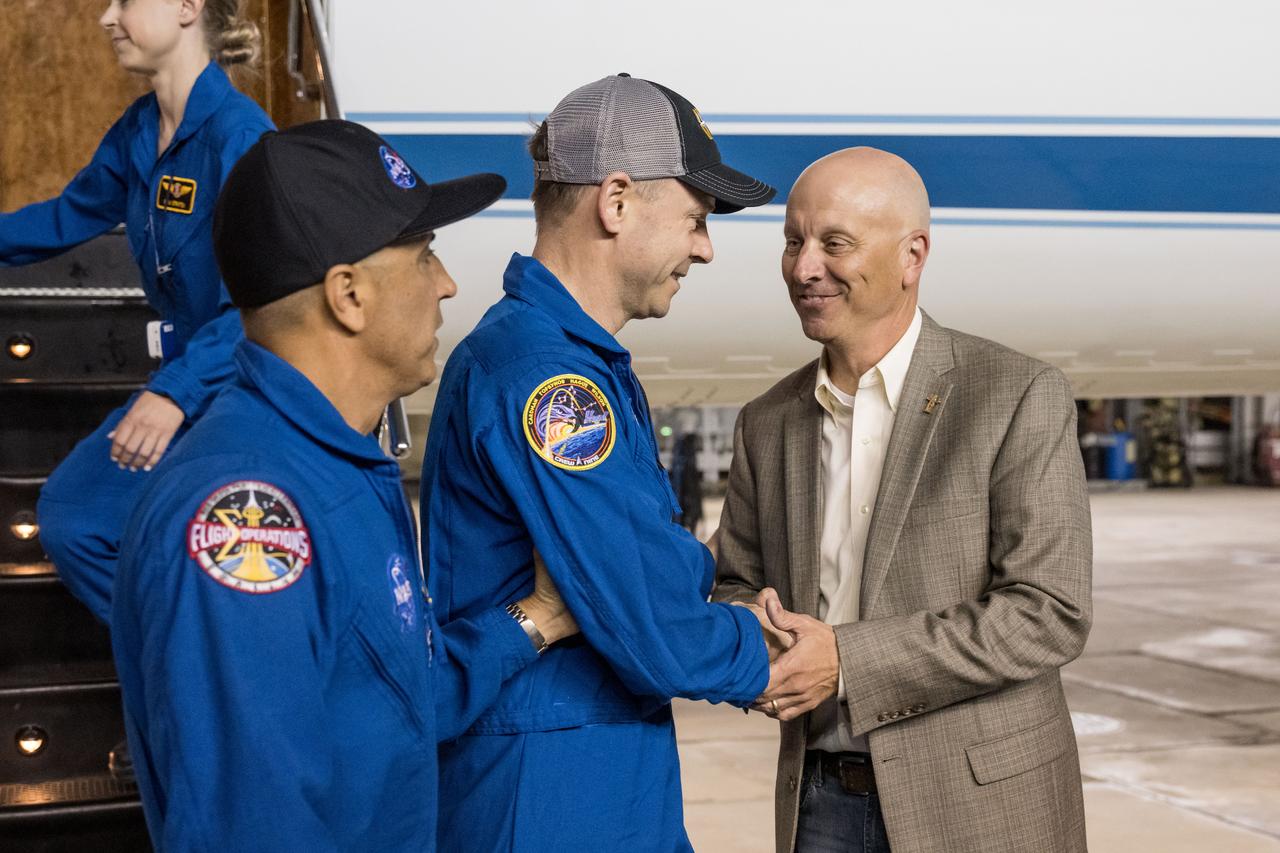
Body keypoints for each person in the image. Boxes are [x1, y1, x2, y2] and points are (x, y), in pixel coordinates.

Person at [110, 120, 578, 851]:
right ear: (348, 295)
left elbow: (389, 699)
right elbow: (254, 829)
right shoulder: (248, 514)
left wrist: (534, 621)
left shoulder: (334, 465)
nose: (448, 282)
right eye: (425, 255)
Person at [419, 74, 787, 852]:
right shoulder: (546, 379)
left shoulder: (573, 362)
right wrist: (772, 649)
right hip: (550, 794)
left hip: (592, 769)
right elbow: (649, 617)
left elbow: (645, 577)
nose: (706, 247)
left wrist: (671, 577)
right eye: (694, 218)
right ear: (615, 201)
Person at [713, 147, 1092, 853]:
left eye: (835, 243)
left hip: (983, 801)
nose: (803, 268)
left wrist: (847, 661)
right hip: (820, 799)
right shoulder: (767, 420)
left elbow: (1050, 613)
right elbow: (734, 579)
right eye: (793, 241)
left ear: (913, 255)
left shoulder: (1014, 395)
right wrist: (753, 634)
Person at [0, 0, 274, 623]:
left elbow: (261, 302)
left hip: (236, 389)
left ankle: (196, 661)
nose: (106, 18)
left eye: (125, 1)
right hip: (191, 381)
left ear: (186, 8)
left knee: (84, 516)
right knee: (76, 518)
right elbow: (67, 216)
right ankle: (181, 657)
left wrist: (174, 392)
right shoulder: (140, 128)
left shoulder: (242, 139)